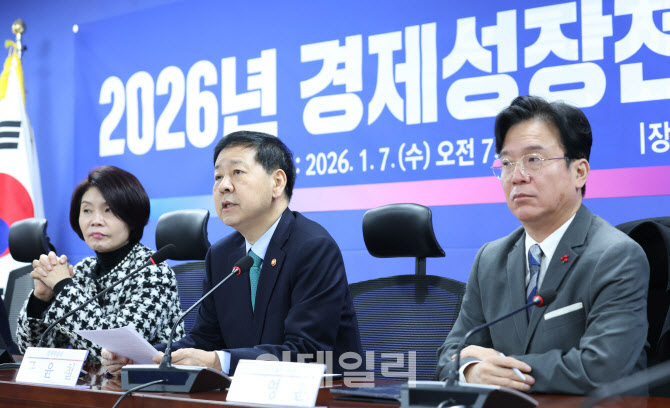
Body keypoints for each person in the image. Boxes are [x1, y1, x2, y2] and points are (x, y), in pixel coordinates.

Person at [435, 96, 649, 394]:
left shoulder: (616, 256)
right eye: (506, 163)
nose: (517, 177)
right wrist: (470, 370)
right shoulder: (490, 260)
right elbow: (450, 356)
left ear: (579, 172)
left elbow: (602, 369)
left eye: (533, 160)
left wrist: (498, 370)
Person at [102, 131, 361, 375]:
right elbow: (204, 340)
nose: (224, 186)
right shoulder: (221, 256)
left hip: (326, 394)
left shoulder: (313, 248)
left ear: (277, 183)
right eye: (218, 177)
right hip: (245, 393)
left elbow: (307, 352)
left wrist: (218, 361)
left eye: (237, 172)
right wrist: (142, 356)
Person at [16, 166, 184, 361]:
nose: (96, 221)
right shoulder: (82, 271)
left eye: (108, 210)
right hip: (90, 379)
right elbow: (34, 352)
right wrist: (41, 300)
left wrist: (64, 287)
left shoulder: (153, 272)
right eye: (87, 210)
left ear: (132, 217)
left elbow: (119, 351)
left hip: (148, 379)